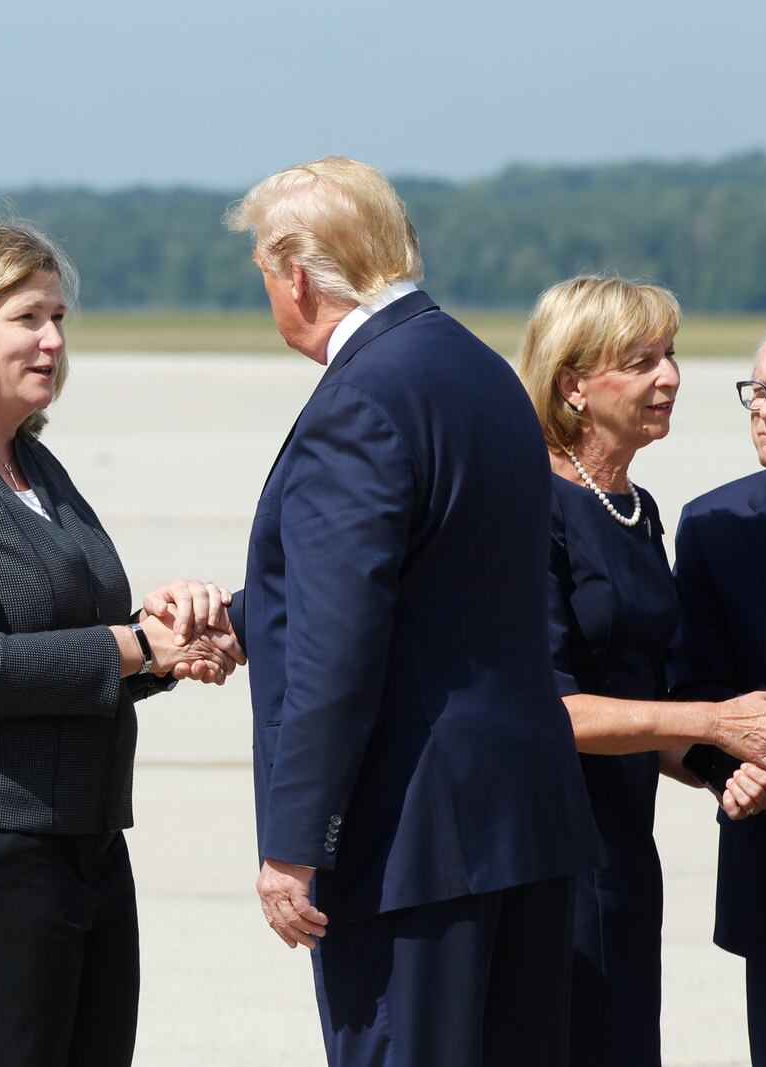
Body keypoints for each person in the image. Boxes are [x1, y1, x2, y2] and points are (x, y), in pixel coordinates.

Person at [223, 156, 600, 1067]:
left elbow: (338, 646)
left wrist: (295, 842)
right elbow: (440, 582)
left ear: (299, 275)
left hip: (412, 846)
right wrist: (241, 615)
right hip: (519, 825)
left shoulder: (359, 400)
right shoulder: (478, 371)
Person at [0, 218, 243, 1067]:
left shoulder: (31, 464)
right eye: (27, 318)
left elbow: (70, 640)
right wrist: (136, 644)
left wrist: (169, 643)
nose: (54, 341)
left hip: (82, 845)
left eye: (59, 318)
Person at [517, 276, 766, 1066]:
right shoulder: (525, 506)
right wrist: (720, 725)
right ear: (572, 383)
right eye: (643, 360)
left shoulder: (636, 509)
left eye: (672, 354)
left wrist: (731, 764)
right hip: (550, 859)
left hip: (623, 857)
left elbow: (657, 700)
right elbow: (552, 710)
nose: (671, 377)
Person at [671, 302, 766, 1066]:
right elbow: (692, 691)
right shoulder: (713, 525)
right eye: (756, 389)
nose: (765, 406)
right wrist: (735, 772)